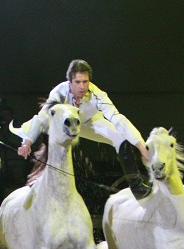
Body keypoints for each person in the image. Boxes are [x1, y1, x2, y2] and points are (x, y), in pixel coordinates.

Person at [14, 59, 151, 199]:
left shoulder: (98, 94)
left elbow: (118, 119)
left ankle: (136, 186)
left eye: (85, 82)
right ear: (70, 82)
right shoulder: (59, 92)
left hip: (91, 123)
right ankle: (40, 179)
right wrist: (27, 143)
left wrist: (142, 147)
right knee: (48, 130)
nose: (82, 87)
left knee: (121, 138)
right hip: (65, 125)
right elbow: (41, 117)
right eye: (77, 82)